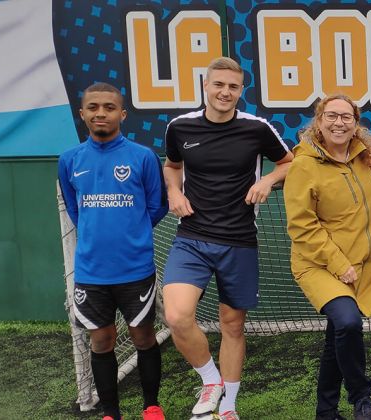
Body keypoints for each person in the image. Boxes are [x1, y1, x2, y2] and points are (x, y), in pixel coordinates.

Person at [161, 57, 294, 420]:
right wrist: (174, 192)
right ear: (206, 86)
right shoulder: (180, 127)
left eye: (233, 87)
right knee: (176, 315)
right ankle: (210, 380)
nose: (225, 92)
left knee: (232, 325)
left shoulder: (257, 128)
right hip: (192, 237)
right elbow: (172, 166)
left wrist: (267, 180)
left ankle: (229, 407)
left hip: (239, 239)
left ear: (240, 90)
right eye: (219, 84)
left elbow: (289, 162)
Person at [284, 94, 371, 420]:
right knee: (349, 322)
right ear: (319, 122)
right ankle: (361, 398)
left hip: (361, 264)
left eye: (347, 117)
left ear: (356, 124)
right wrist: (339, 265)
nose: (339, 122)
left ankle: (325, 412)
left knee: (337, 335)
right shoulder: (303, 166)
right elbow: (302, 227)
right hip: (319, 264)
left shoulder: (363, 155)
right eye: (332, 116)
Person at [57, 82, 169, 420]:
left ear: (122, 113)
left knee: (144, 335)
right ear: (82, 114)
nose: (100, 113)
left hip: (135, 269)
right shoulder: (69, 161)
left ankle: (151, 406)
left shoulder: (143, 157)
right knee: (102, 340)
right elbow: (76, 212)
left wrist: (130, 233)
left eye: (108, 107)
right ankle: (111, 412)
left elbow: (157, 206)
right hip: (91, 272)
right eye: (93, 107)